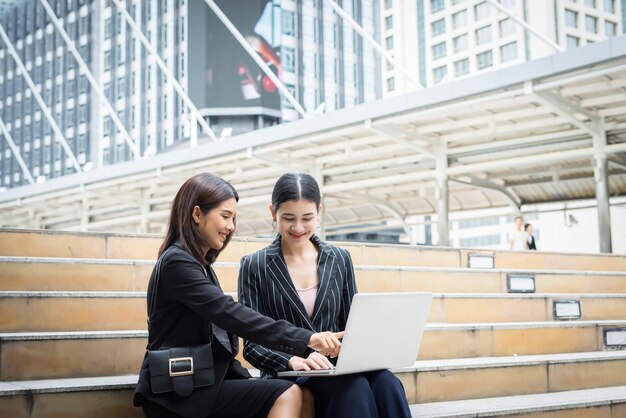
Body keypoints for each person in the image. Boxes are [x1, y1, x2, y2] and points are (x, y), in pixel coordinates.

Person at [133, 173, 343, 418]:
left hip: (203, 382)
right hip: (177, 391)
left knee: (305, 395)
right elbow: (231, 314)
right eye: (225, 216)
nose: (231, 226)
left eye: (233, 218)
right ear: (197, 214)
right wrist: (308, 338)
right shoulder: (176, 262)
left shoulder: (199, 264)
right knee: (289, 394)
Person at [238, 172, 412, 418]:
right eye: (288, 218)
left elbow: (352, 324)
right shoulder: (255, 265)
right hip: (291, 372)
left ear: (319, 211)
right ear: (272, 212)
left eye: (307, 218)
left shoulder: (339, 259)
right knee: (355, 388)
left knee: (387, 383)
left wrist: (355, 346)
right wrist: (293, 361)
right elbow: (252, 345)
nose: (298, 227)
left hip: (337, 367)